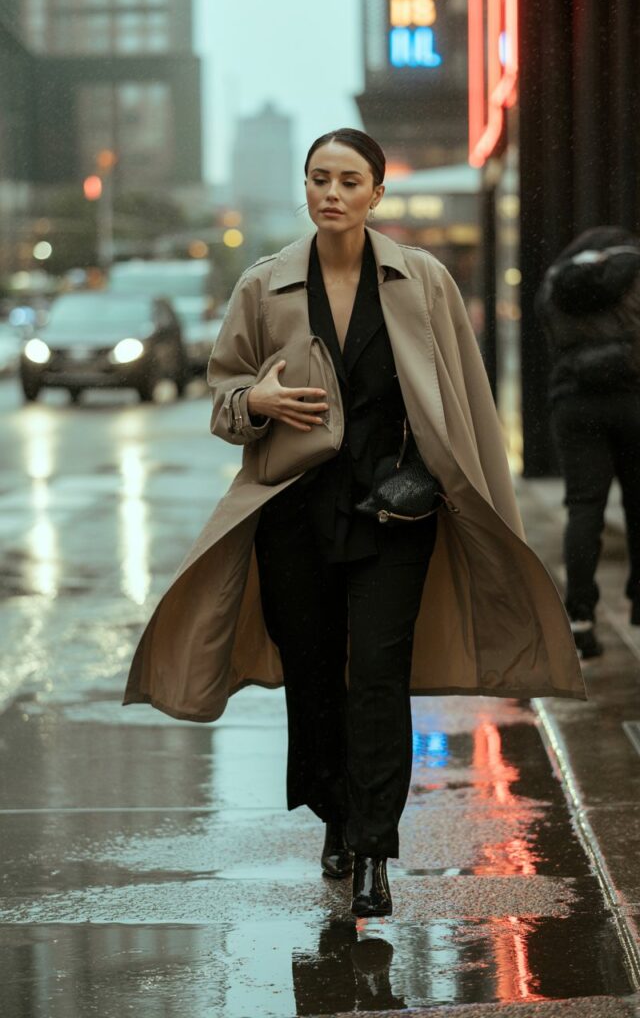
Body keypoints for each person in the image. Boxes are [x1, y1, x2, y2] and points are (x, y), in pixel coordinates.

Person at [123, 129, 585, 920]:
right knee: (313, 678)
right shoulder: (263, 286)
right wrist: (256, 400)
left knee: (377, 675)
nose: (331, 193)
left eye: (348, 180)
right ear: (306, 187)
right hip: (292, 512)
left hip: (394, 512)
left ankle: (374, 848)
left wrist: (467, 489)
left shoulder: (423, 280)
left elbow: (465, 396)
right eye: (319, 179)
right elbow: (224, 399)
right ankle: (335, 813)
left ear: (377, 193)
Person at [536, 227, 640, 659]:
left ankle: (580, 619)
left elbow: (549, 341)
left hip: (575, 403)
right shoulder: (635, 273)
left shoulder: (555, 282)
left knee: (583, 508)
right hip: (634, 399)